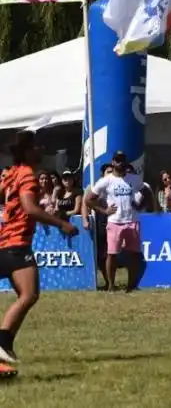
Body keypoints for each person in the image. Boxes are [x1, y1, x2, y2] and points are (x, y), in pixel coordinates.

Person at [0, 131, 79, 368]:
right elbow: (30, 208)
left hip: (5, 242)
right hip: (16, 244)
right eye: (37, 146)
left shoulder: (11, 174)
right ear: (27, 151)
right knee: (29, 295)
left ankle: (4, 347)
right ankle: (3, 343)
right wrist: (62, 223)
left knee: (26, 295)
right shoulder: (26, 175)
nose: (41, 149)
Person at [85, 158, 150, 292]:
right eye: (117, 160)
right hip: (115, 221)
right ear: (113, 162)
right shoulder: (106, 180)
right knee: (112, 254)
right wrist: (105, 211)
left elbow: (147, 193)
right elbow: (89, 199)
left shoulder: (134, 178)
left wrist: (140, 206)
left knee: (134, 254)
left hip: (132, 220)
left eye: (122, 160)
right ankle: (111, 285)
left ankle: (132, 285)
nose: (120, 163)